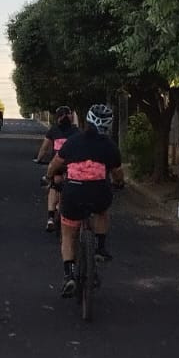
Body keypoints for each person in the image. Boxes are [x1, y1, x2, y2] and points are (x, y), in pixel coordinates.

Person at [46, 102, 124, 297]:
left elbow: (55, 163)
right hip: (99, 194)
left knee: (67, 233)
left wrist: (49, 176)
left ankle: (69, 274)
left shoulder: (73, 141)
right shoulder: (110, 146)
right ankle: (100, 247)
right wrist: (119, 184)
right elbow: (118, 173)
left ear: (87, 120)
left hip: (72, 194)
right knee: (102, 211)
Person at [35, 106, 78, 232]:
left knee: (54, 185)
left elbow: (44, 148)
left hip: (57, 166)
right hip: (72, 166)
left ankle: (50, 218)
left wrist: (38, 159)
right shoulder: (77, 132)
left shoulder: (53, 131)